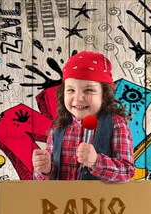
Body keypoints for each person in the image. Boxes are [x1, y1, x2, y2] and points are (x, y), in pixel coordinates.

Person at [32, 50, 134, 182]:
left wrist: (96, 162)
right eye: (71, 90)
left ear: (105, 94)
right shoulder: (59, 126)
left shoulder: (115, 123)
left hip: (99, 201)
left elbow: (127, 172)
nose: (78, 98)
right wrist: (46, 170)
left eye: (89, 90)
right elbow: (45, 181)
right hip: (62, 201)